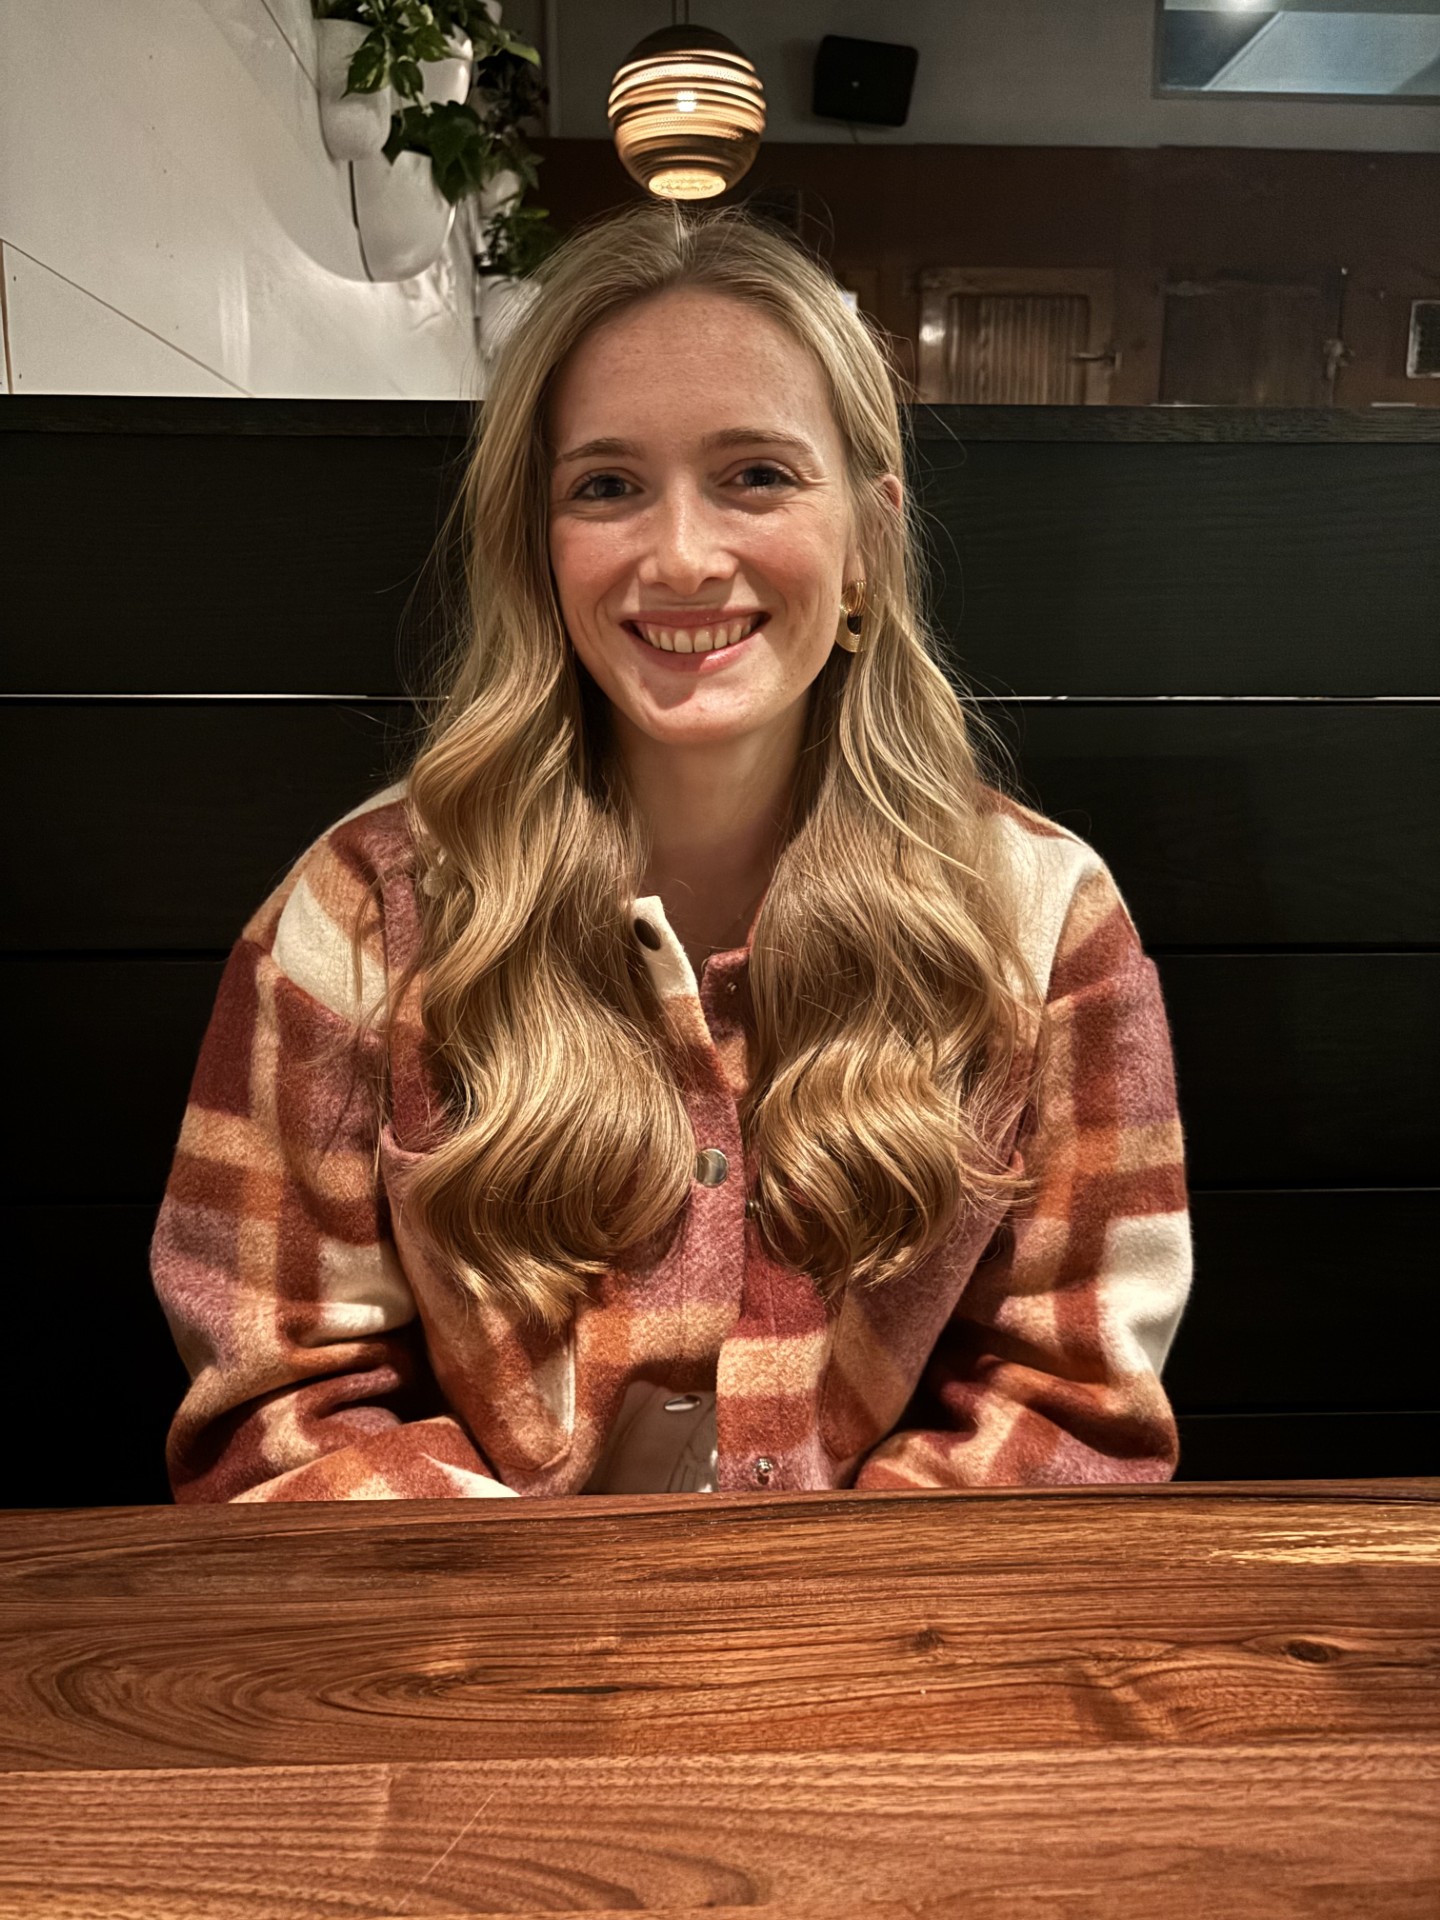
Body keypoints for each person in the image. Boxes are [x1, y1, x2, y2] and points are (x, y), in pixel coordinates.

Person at [149, 203, 1193, 1504]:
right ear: (540, 546)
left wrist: (796, 1650)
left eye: (757, 473)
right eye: (607, 485)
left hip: (882, 1670)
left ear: (867, 535)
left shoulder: (1048, 924)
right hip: (484, 1678)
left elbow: (1067, 1417)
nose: (685, 555)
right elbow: (279, 1412)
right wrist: (567, 1645)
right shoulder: (354, 917)